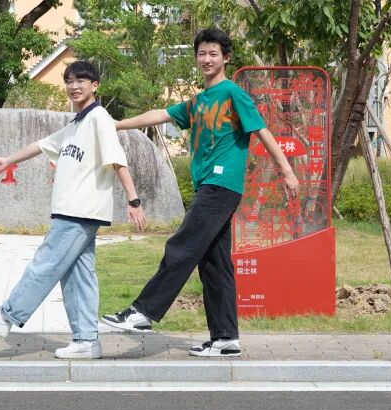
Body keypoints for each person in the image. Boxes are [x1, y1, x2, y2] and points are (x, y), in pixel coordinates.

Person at [100, 28, 299, 357]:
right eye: (202, 53)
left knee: (182, 245)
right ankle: (225, 338)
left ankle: (143, 312)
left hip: (222, 184)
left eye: (213, 54)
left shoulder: (232, 93)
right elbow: (161, 114)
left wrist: (286, 170)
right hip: (209, 185)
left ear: (226, 58)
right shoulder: (197, 101)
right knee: (214, 264)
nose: (206, 59)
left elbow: (261, 130)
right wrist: (117, 124)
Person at [0, 60, 147, 360]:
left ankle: (6, 316)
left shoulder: (99, 117)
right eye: (69, 81)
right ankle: (86, 340)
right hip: (75, 210)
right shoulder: (75, 124)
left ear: (95, 85)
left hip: (80, 210)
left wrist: (133, 200)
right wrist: (8, 160)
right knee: (79, 277)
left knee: (46, 263)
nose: (74, 86)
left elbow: (117, 159)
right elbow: (41, 145)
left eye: (81, 80)